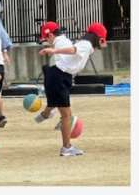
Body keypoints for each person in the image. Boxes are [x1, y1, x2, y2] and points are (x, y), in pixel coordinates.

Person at [37, 22, 108, 157]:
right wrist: (54, 51)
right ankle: (66, 147)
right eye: (103, 39)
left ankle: (47, 116)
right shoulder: (85, 44)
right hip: (59, 76)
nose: (104, 42)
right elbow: (73, 50)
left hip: (60, 76)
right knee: (66, 115)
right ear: (98, 38)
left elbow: (73, 51)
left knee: (65, 114)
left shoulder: (85, 45)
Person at [34, 21, 73, 127]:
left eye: (46, 39)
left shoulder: (60, 43)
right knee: (59, 99)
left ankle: (60, 119)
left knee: (60, 101)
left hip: (60, 75)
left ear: (51, 35)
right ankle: (49, 114)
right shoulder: (64, 41)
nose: (47, 41)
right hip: (65, 74)